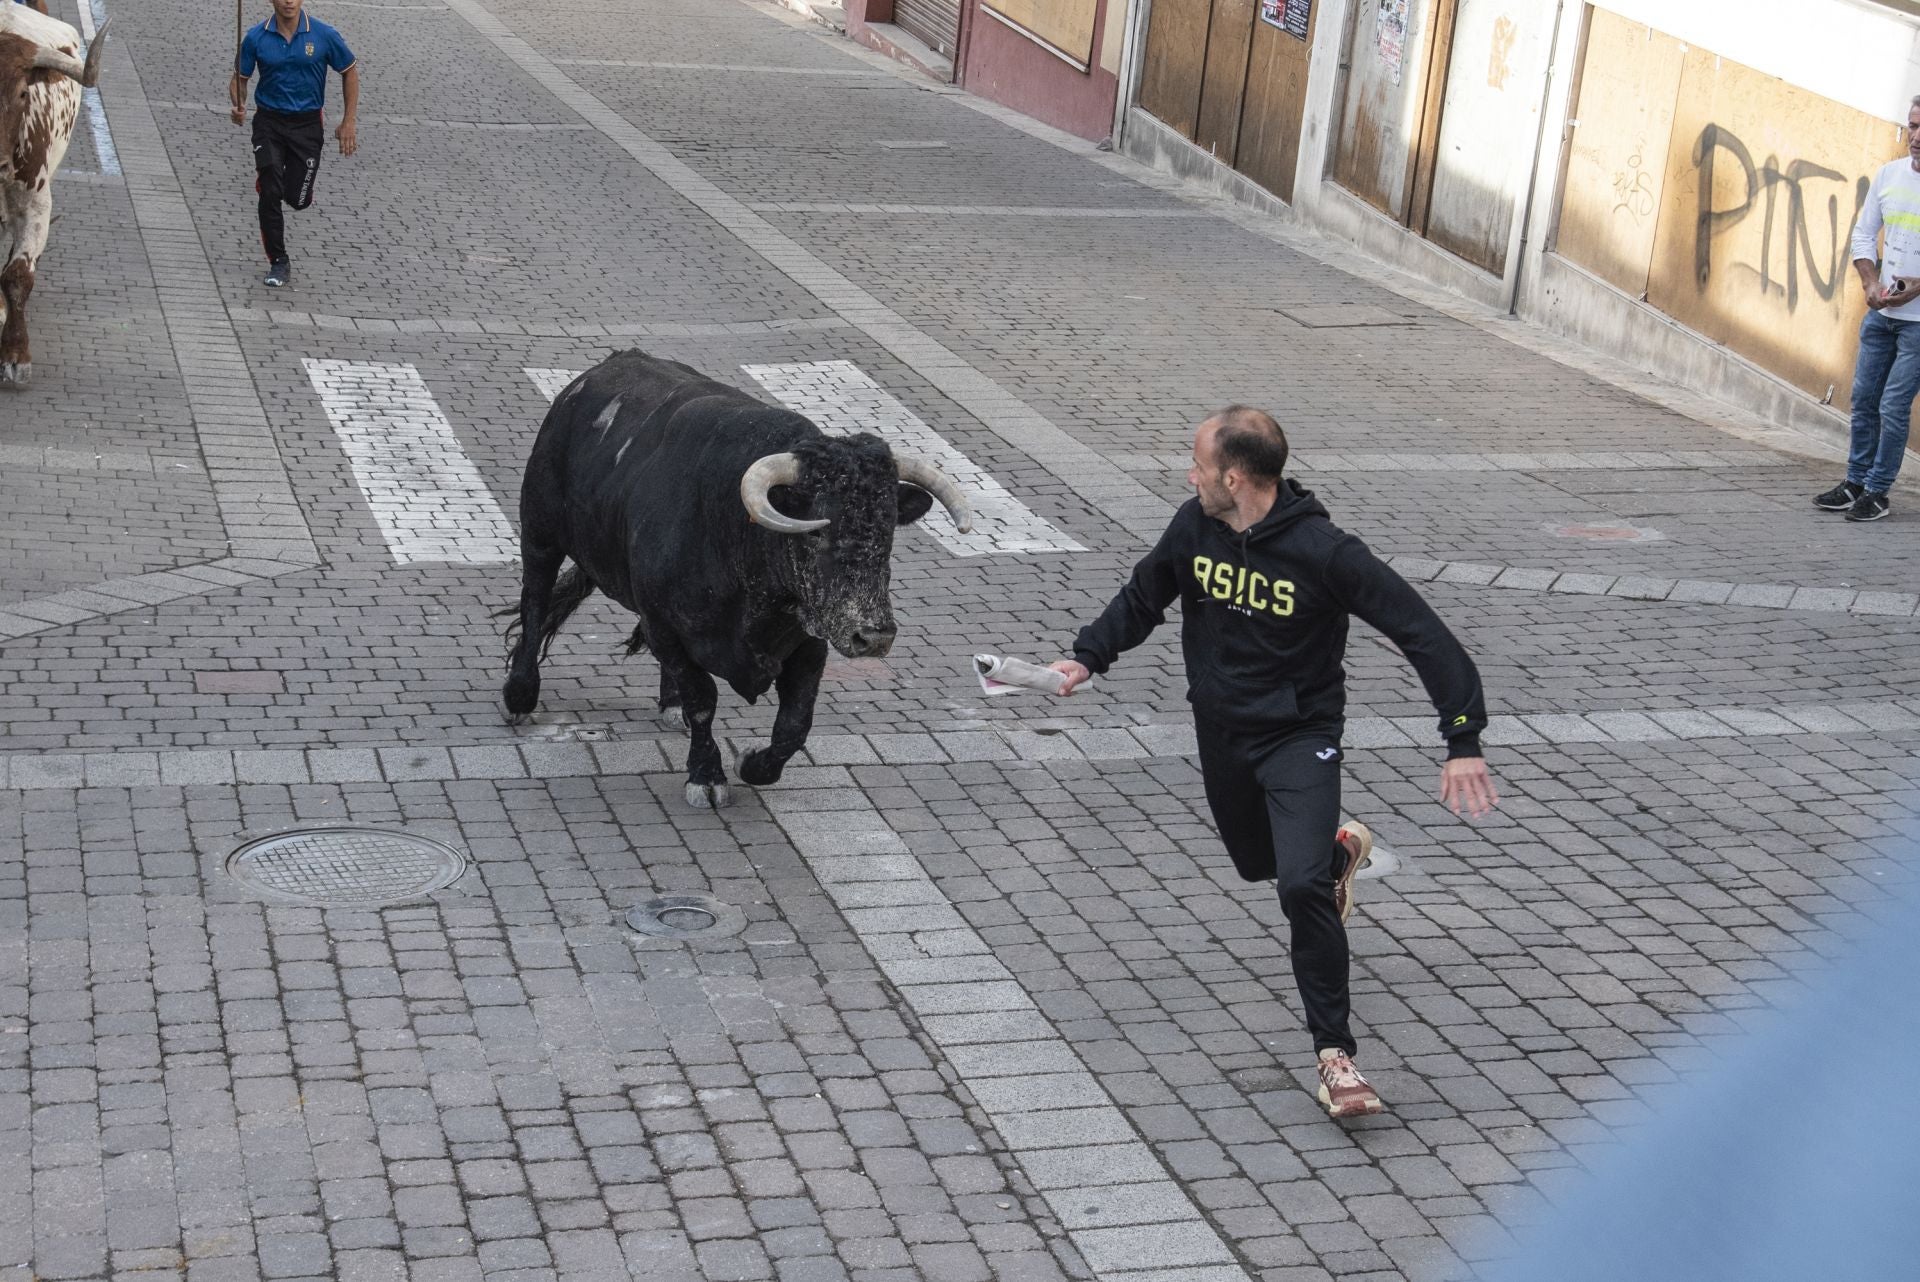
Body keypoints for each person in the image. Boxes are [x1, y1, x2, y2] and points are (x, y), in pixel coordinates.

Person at [1049, 406, 1498, 1119]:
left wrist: (1463, 740)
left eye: (1197, 463)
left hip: (1299, 736)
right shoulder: (1193, 526)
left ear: (1233, 475)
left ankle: (1335, 1057)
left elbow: (1426, 636)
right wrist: (1086, 657)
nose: (1188, 474)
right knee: (1259, 864)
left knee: (1297, 892)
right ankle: (1335, 852)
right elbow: (1144, 594)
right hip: (1222, 730)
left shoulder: (1326, 553)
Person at [1817, 93, 1920, 523]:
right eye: (1913, 125)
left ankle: (1878, 491)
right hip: (1880, 313)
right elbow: (1863, 234)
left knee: (1893, 407)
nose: (1916, 136)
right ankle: (1854, 482)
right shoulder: (1889, 175)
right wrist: (1870, 281)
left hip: (1918, 323)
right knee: (1863, 399)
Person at [228, 0, 358, 288]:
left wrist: (348, 121)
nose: (288, 1)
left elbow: (349, 70)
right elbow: (240, 79)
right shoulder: (256, 37)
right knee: (270, 185)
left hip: (307, 126)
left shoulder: (324, 35)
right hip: (269, 123)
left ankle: (292, 190)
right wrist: (238, 104)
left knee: (297, 199)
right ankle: (278, 261)